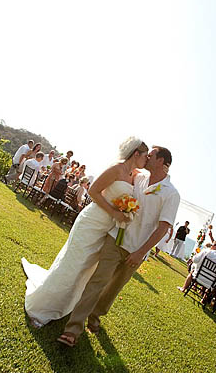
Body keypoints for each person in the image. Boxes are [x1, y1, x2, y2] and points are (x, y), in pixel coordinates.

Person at [57, 145, 180, 347]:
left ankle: (95, 316)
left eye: (151, 155)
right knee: (99, 280)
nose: (146, 158)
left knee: (113, 289)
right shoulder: (139, 177)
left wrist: (141, 253)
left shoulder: (171, 193)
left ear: (161, 161)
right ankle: (73, 329)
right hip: (116, 238)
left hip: (137, 250)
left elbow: (163, 228)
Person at [21, 138, 149, 329]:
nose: (147, 160)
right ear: (136, 154)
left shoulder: (135, 175)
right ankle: (43, 307)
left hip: (107, 229)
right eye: (145, 156)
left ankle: (66, 304)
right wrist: (114, 212)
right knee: (73, 263)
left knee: (86, 269)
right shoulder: (116, 169)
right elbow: (94, 192)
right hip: (92, 222)